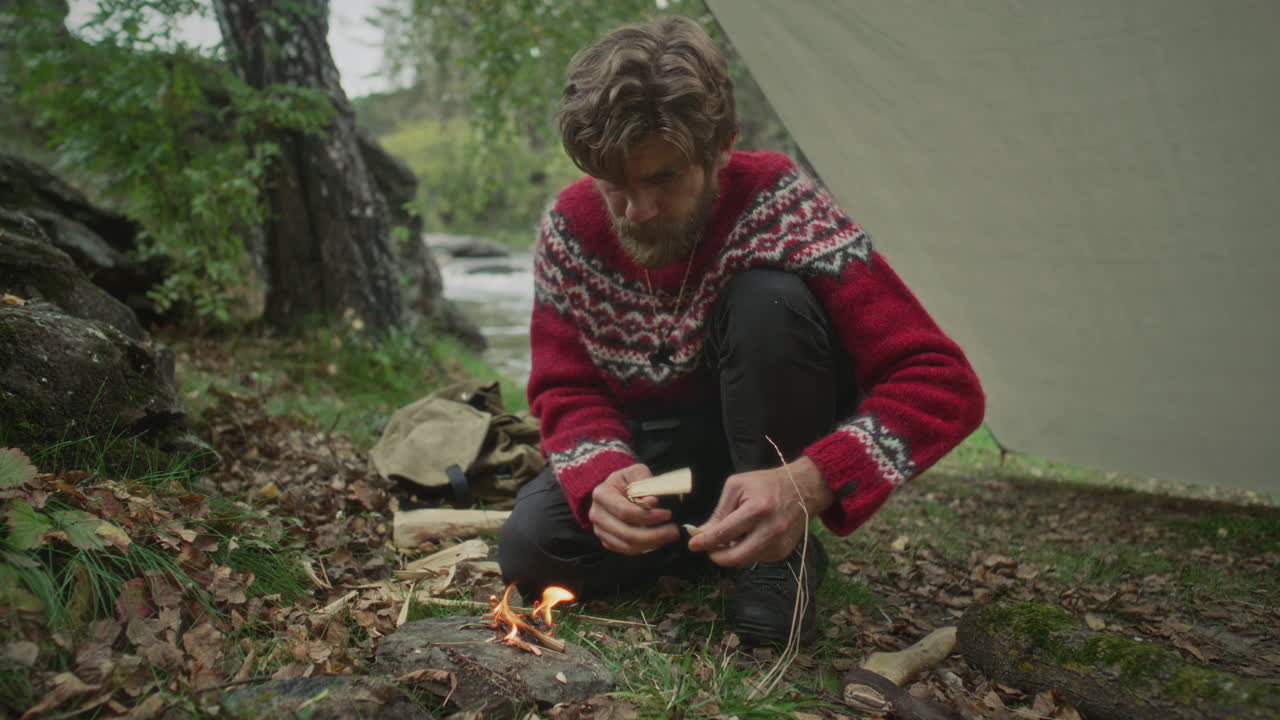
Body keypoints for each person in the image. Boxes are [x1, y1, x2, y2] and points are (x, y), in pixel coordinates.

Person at [498, 15, 984, 647]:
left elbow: (944, 384)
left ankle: (778, 554)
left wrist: (810, 482)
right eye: (614, 184)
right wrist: (603, 476)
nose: (635, 211)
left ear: (722, 146)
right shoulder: (571, 226)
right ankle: (712, 538)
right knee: (533, 549)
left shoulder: (778, 202)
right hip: (669, 464)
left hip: (775, 442)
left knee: (768, 301)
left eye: (664, 178)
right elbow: (566, 388)